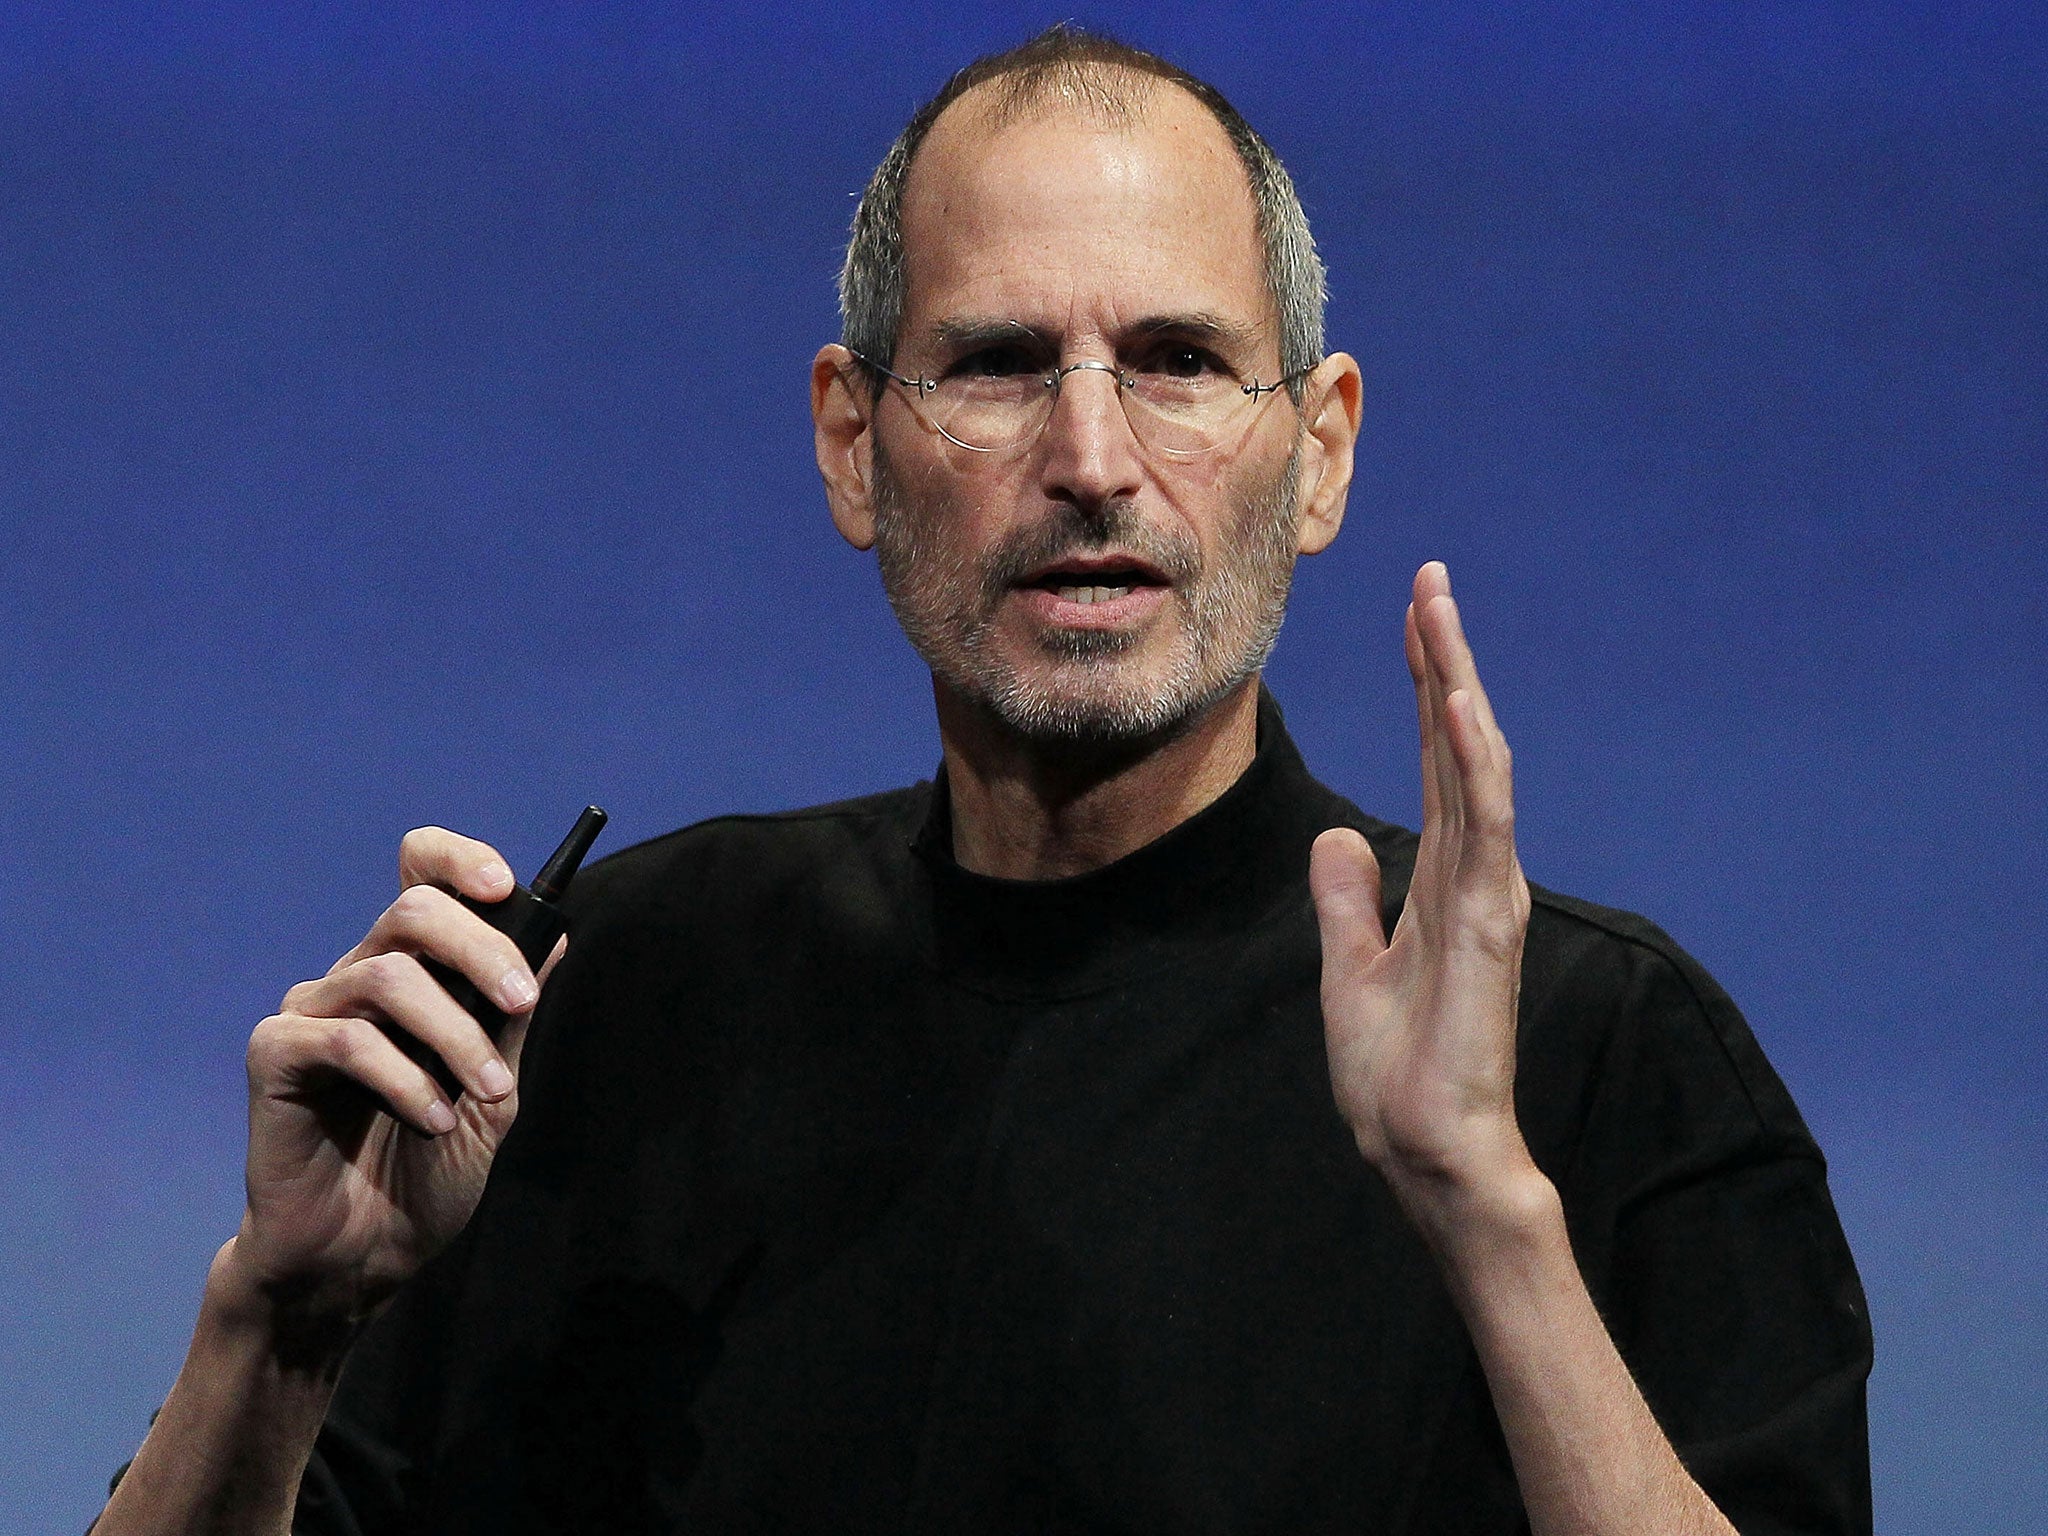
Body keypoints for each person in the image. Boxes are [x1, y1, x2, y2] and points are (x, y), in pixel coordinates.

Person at [95, 27, 1871, 1535]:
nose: (1093, 460)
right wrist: (281, 1321)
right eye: (1001, 366)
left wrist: (1488, 1213)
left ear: (1318, 451)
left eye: (1176, 363)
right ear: (854, 444)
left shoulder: (1598, 1059)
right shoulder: (584, 1018)